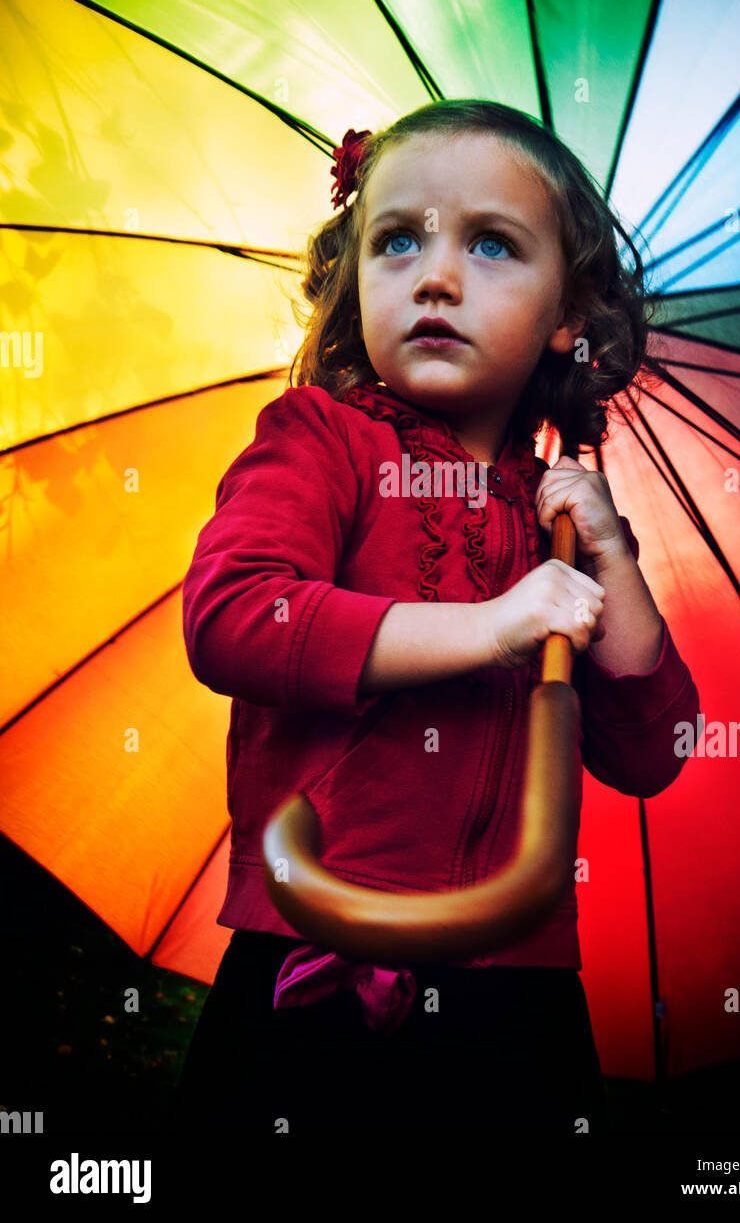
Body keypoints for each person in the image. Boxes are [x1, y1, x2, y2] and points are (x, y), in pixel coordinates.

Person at [171, 99, 699, 1136]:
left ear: (567, 317)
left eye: (491, 244)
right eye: (396, 238)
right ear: (353, 275)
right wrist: (491, 625)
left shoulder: (557, 517)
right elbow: (234, 613)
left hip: (518, 983)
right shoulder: (318, 440)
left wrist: (612, 557)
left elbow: (651, 751)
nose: (435, 275)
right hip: (317, 949)